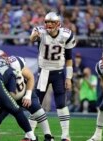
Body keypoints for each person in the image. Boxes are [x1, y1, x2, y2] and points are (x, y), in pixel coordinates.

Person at [0, 49, 54, 141]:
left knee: (37, 110)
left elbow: (30, 77)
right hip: (7, 98)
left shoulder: (15, 62)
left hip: (22, 93)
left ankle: (48, 137)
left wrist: (28, 95)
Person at [30, 11, 76, 141]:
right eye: (47, 22)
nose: (49, 25)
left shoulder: (66, 35)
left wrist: (68, 78)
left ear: (58, 24)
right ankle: (30, 134)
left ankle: (66, 135)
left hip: (59, 72)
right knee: (36, 103)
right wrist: (34, 36)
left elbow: (68, 58)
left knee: (61, 104)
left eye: (51, 22)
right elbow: (32, 38)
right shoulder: (40, 31)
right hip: (44, 71)